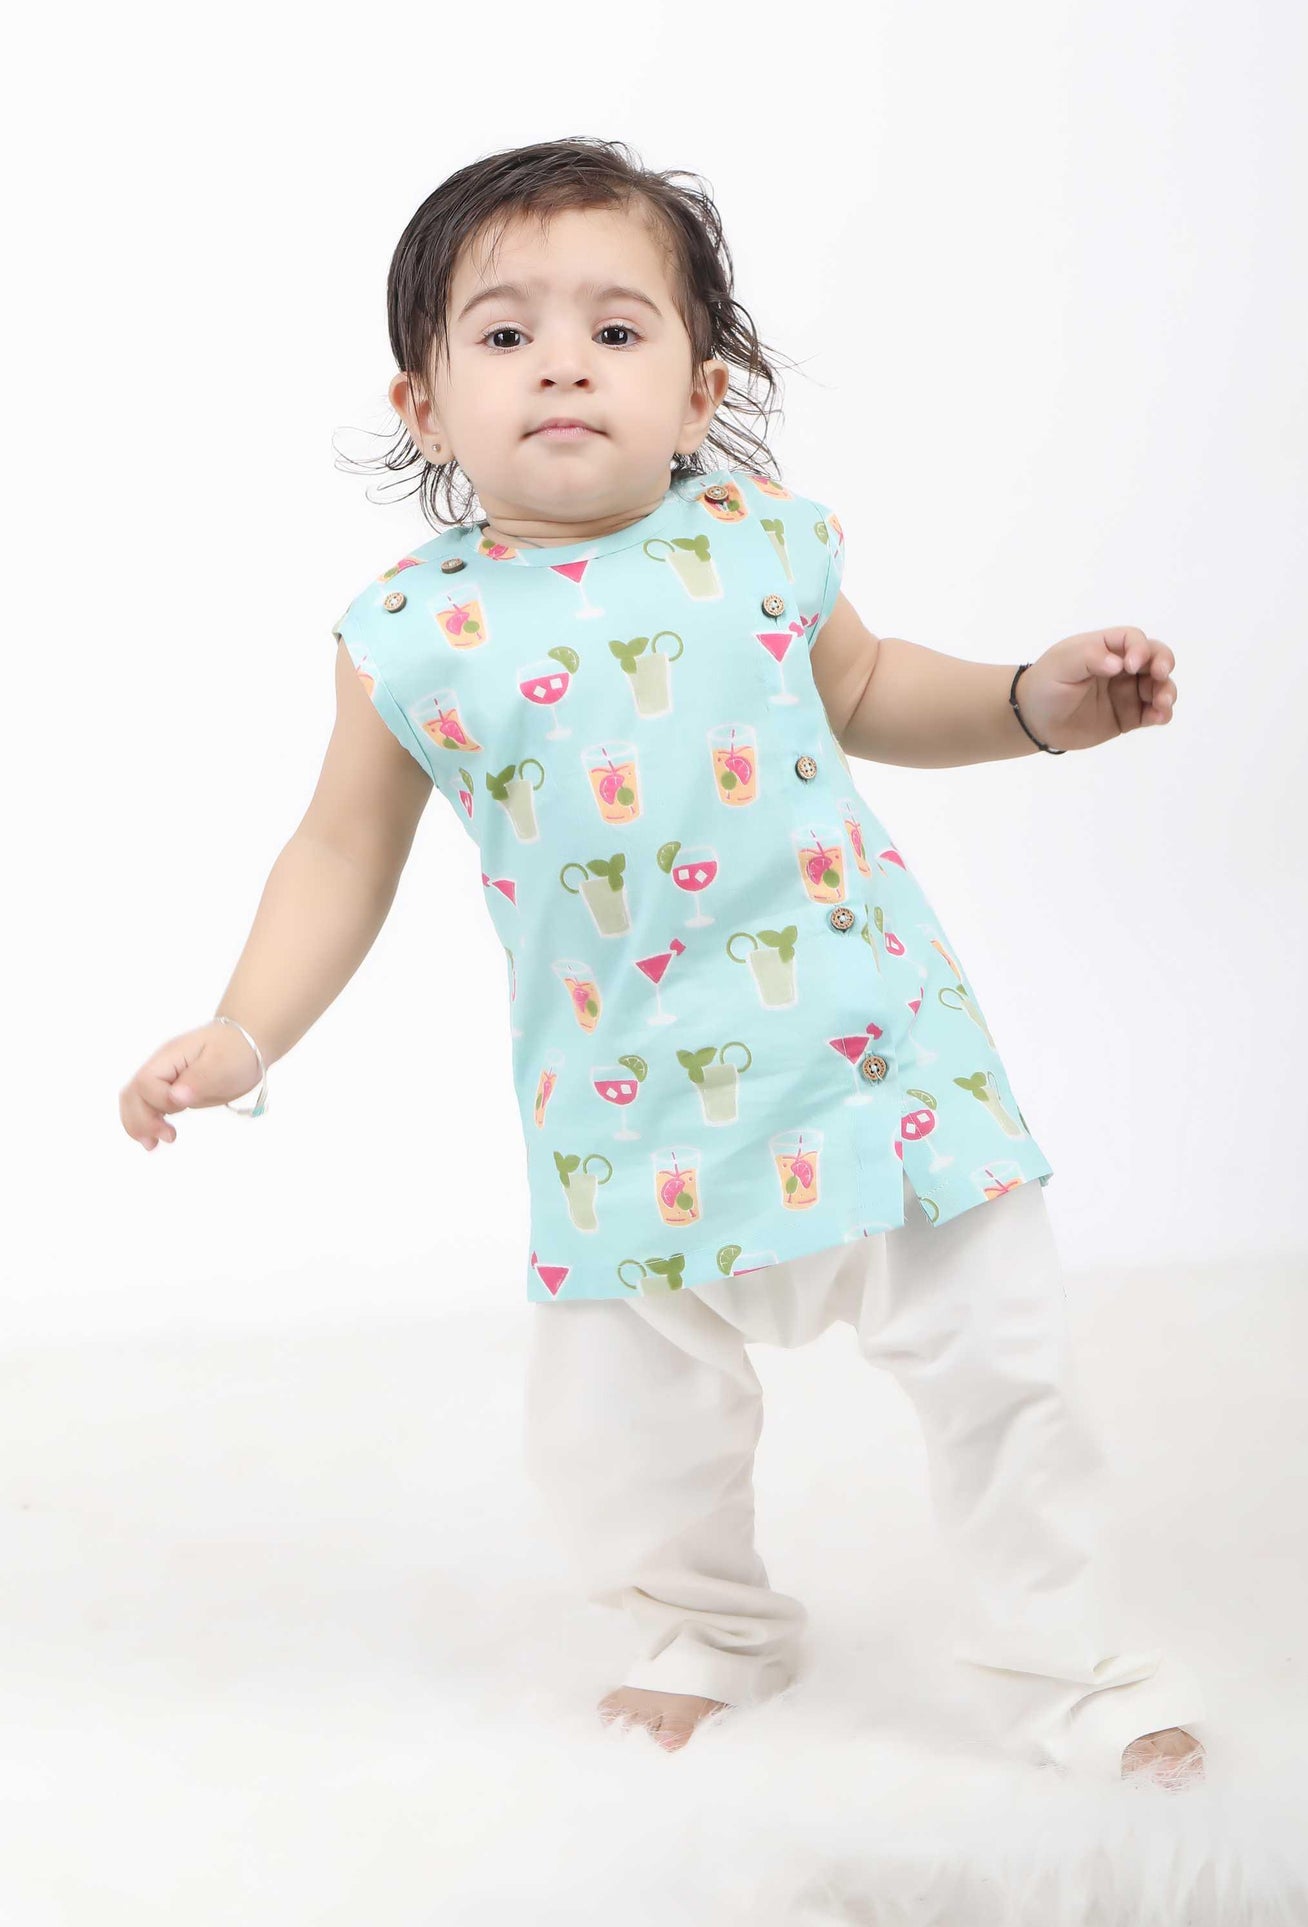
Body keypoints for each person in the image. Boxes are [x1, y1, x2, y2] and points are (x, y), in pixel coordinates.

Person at [118, 138, 1205, 1788]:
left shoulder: (760, 542)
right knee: (621, 1439)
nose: (561, 362)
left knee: (1008, 1382)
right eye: (505, 333)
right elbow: (339, 852)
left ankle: (1070, 1672)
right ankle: (707, 1627)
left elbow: (871, 692)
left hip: (880, 1070)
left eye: (614, 330)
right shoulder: (410, 633)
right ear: (424, 406)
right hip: (625, 1110)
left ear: (698, 397)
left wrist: (1026, 705)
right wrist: (244, 1030)